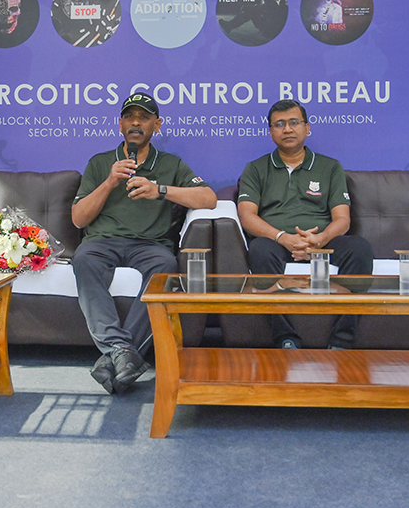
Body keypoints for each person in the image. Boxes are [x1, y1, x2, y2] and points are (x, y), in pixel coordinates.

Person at [71, 92, 218, 393]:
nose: (136, 122)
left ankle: (115, 355)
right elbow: (78, 219)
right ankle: (123, 352)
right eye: (130, 117)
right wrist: (109, 182)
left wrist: (159, 190)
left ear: (157, 125)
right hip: (102, 242)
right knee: (83, 259)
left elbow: (209, 198)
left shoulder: (171, 164)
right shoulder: (100, 163)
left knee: (166, 265)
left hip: (150, 245)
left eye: (144, 117)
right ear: (120, 124)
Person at [237, 99, 374, 350]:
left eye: (294, 122)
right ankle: (286, 338)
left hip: (323, 242)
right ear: (270, 132)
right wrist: (283, 237)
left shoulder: (329, 167)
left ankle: (342, 340)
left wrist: (319, 240)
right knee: (259, 250)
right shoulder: (255, 169)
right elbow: (247, 216)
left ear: (307, 128)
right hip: (276, 242)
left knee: (360, 249)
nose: (287, 129)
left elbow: (342, 219)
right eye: (279, 124)